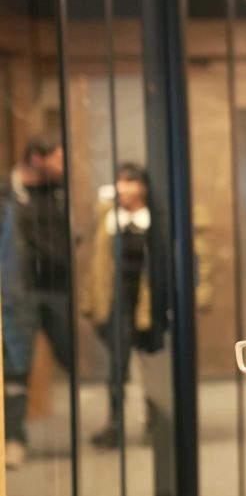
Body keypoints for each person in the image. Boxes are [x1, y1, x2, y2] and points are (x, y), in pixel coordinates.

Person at [81, 162, 168, 448]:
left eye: (131, 181)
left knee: (151, 367)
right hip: (116, 306)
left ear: (143, 187)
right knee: (117, 370)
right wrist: (91, 300)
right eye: (119, 181)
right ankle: (115, 425)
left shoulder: (155, 222)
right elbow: (96, 266)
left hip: (147, 307)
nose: (124, 188)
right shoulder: (108, 220)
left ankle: (156, 422)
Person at [1, 136, 74, 469]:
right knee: (16, 367)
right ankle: (14, 440)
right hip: (19, 293)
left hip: (58, 291)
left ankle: (113, 423)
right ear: (36, 158)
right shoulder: (6, 194)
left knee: (69, 353)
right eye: (57, 160)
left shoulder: (59, 193)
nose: (63, 167)